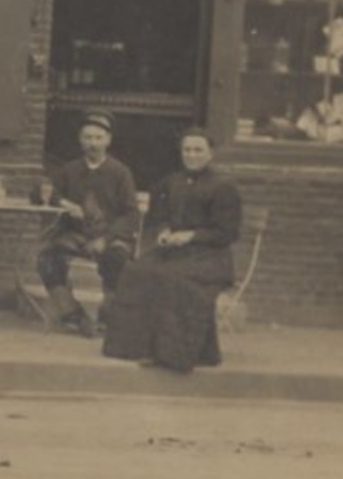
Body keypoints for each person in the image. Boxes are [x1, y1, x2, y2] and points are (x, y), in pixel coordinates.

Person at [102, 129, 244, 374]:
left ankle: (171, 354)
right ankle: (136, 347)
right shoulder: (171, 182)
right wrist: (164, 231)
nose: (192, 155)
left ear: (210, 153)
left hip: (210, 257)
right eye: (187, 150)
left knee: (171, 279)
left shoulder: (224, 187)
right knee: (137, 271)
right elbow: (159, 217)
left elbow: (227, 233)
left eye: (198, 150)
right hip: (175, 253)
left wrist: (192, 235)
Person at [34, 110, 141, 339]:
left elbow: (131, 214)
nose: (93, 144)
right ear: (80, 140)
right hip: (77, 234)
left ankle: (109, 317)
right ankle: (73, 315)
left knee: (117, 260)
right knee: (47, 258)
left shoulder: (120, 173)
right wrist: (62, 201)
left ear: (108, 140)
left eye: (98, 138)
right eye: (87, 138)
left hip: (112, 235)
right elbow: (44, 193)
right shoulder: (70, 170)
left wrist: (107, 238)